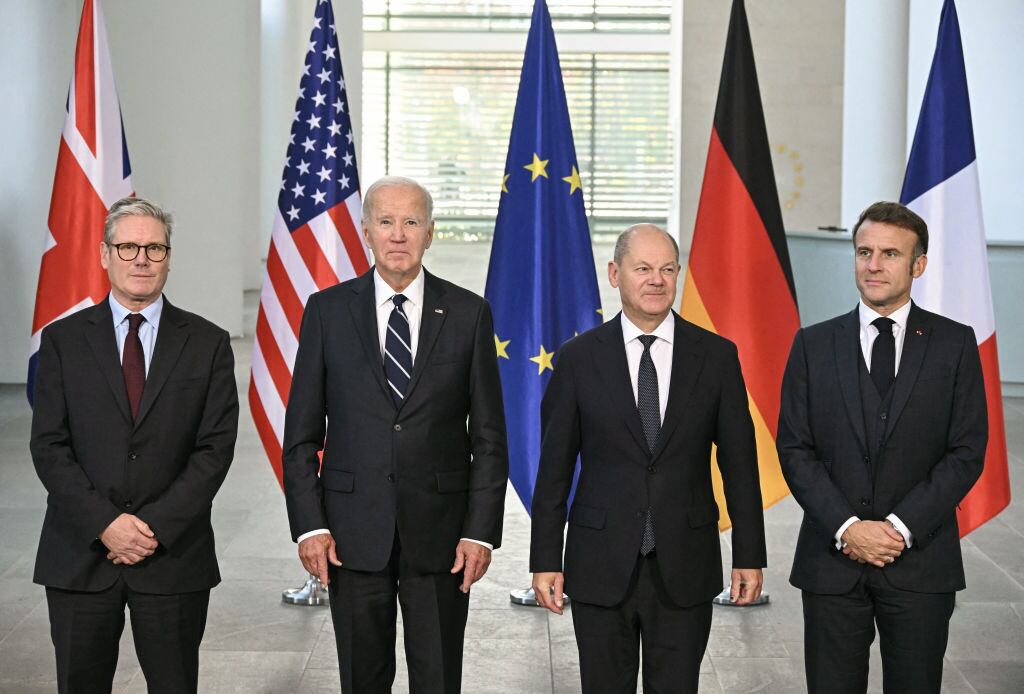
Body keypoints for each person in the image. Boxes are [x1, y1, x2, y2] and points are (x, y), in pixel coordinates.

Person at [282, 176, 508, 693]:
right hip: (351, 534)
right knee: (363, 678)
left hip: (443, 535)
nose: (398, 234)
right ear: (366, 231)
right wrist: (310, 525)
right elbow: (300, 436)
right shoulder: (327, 311)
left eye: (411, 222)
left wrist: (479, 531)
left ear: (430, 233)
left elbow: (490, 438)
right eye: (386, 222)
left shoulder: (469, 313)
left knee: (438, 677)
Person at [530, 224, 767, 693]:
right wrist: (544, 559)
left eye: (666, 269)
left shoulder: (716, 357)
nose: (656, 280)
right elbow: (554, 470)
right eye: (643, 269)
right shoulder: (578, 359)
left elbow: (739, 465)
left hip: (686, 562)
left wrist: (749, 555)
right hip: (599, 563)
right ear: (615, 274)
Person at [30, 196, 239, 693]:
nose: (141, 259)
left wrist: (151, 528)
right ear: (104, 255)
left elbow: (214, 450)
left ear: (169, 257)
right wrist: (105, 524)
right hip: (80, 554)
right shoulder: (62, 341)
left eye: (154, 248)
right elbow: (49, 446)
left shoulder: (208, 343)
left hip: (172, 557)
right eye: (127, 247)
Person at [778, 201, 987, 693]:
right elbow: (795, 450)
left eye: (890, 254)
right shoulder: (812, 345)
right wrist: (850, 528)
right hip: (832, 563)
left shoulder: (955, 345)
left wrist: (896, 528)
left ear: (918, 266)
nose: (873, 265)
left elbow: (966, 451)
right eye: (864, 252)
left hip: (920, 565)